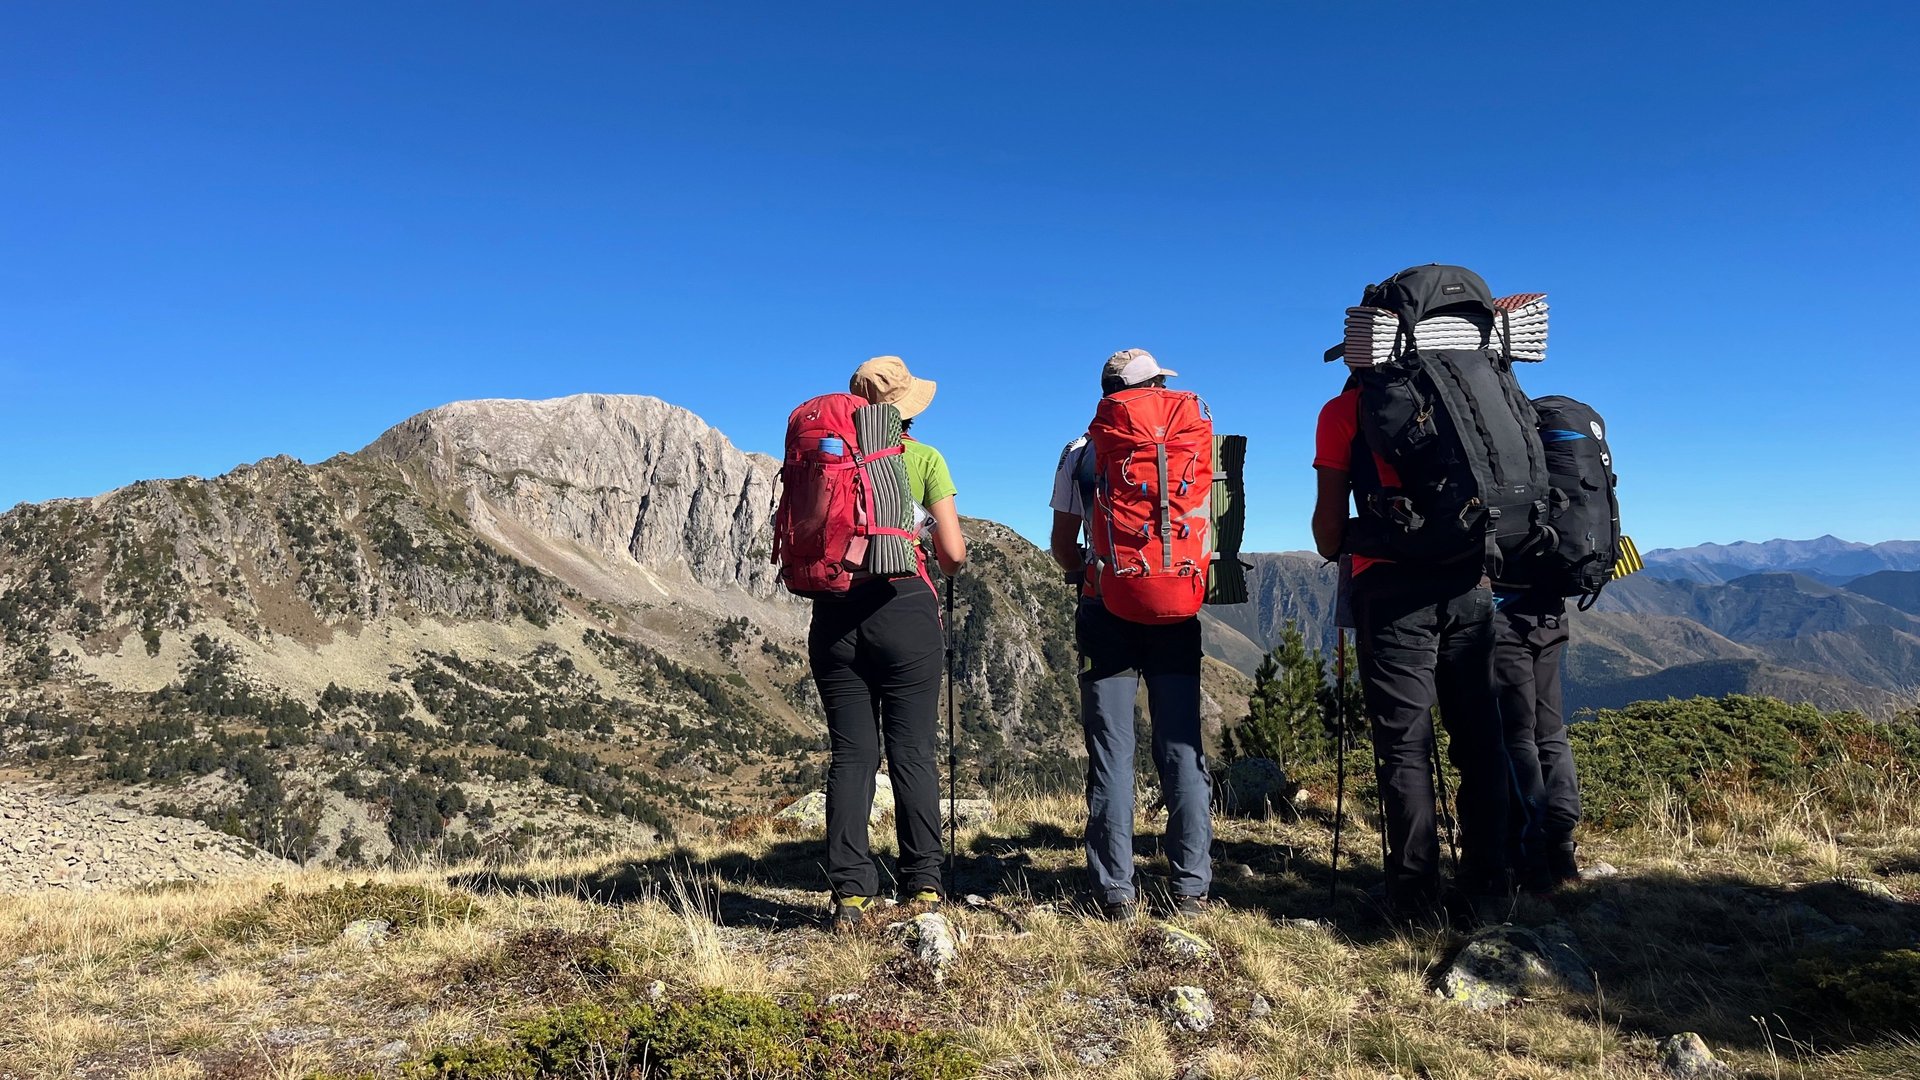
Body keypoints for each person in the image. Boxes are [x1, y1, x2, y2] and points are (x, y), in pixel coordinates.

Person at [1312, 380, 1512, 920]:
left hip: (1394, 590)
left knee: (1404, 746)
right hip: (1470, 583)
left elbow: (1328, 533)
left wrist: (1354, 535)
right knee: (1480, 736)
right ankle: (1490, 882)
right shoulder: (1462, 397)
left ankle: (1414, 897)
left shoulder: (1343, 411)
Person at [1049, 348, 1212, 920]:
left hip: (1106, 608)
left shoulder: (1082, 452)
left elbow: (1063, 546)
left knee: (1112, 754)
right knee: (1180, 747)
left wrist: (1087, 573)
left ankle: (1116, 892)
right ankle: (1191, 888)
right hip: (1177, 609)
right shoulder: (1192, 438)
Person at [813, 355, 967, 931]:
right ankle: (923, 884)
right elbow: (951, 555)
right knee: (912, 750)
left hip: (833, 615)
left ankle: (850, 893)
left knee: (852, 754)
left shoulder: (828, 458)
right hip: (904, 611)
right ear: (906, 409)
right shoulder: (923, 457)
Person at [1493, 587, 1581, 890]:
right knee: (1550, 729)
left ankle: (1529, 859)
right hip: (1550, 612)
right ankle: (1561, 847)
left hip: (1505, 615)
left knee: (1517, 735)